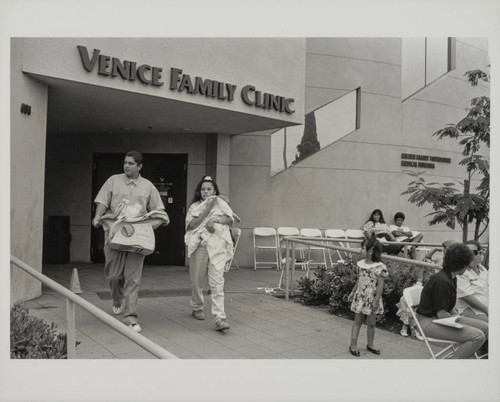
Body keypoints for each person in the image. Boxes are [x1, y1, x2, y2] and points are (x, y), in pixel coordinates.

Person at [92, 151, 169, 333]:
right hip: (115, 234)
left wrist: (151, 225)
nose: (126, 166)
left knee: (133, 279)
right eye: (125, 162)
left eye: (131, 163)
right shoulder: (113, 180)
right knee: (113, 275)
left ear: (139, 166)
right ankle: (117, 298)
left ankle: (131, 317)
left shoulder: (148, 186)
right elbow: (102, 202)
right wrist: (97, 217)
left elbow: (158, 210)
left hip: (137, 238)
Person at [416, 243, 488, 359]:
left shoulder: (451, 277)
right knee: (478, 336)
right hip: (428, 322)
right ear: (463, 264)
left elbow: (448, 309)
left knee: (486, 327)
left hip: (441, 319)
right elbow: (442, 314)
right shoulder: (442, 282)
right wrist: (462, 323)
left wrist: (460, 320)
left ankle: (464, 353)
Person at [185, 175, 234, 331]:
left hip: (217, 247)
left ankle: (220, 318)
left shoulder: (220, 204)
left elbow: (230, 218)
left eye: (209, 189)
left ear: (214, 191)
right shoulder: (195, 207)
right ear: (199, 192)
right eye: (203, 189)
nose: (206, 191)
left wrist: (215, 220)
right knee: (197, 281)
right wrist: (206, 212)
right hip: (200, 245)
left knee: (217, 283)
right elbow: (191, 225)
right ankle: (197, 306)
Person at [348, 234, 389, 357]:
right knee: (357, 321)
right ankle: (353, 344)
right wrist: (352, 291)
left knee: (371, 323)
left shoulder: (379, 267)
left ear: (370, 251)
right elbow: (359, 280)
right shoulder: (361, 264)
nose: (361, 250)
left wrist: (376, 300)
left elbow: (380, 284)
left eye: (363, 248)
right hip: (360, 296)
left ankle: (370, 344)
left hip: (371, 298)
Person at [456, 240, 489, 322]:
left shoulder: (483, 270)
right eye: (466, 253)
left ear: (480, 253)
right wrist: (488, 310)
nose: (469, 256)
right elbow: (467, 297)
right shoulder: (461, 271)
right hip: (470, 309)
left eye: (473, 253)